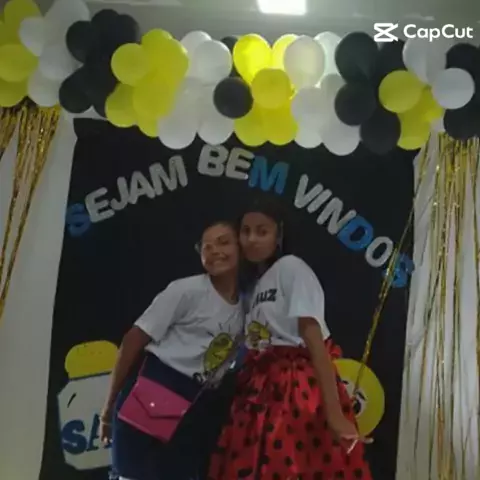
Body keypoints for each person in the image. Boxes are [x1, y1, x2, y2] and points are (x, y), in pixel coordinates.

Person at [208, 197, 373, 480]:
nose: (252, 239)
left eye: (262, 231)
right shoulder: (255, 285)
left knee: (290, 465)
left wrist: (334, 414)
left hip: (293, 389)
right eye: (245, 231)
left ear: (279, 234)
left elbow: (314, 342)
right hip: (258, 391)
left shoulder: (292, 268)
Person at [100, 220, 244, 480]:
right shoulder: (186, 290)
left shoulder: (247, 304)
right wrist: (107, 410)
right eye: (206, 246)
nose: (214, 250)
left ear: (241, 247)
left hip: (199, 404)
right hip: (158, 389)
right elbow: (132, 341)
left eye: (223, 242)